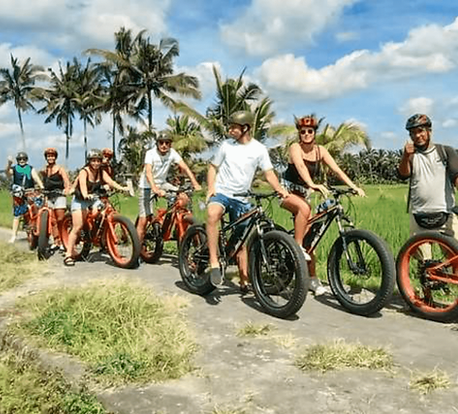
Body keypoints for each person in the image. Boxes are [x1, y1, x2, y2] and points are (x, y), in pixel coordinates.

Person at [281, 114, 366, 296]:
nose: (306, 134)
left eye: (310, 131)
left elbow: (336, 170)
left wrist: (353, 187)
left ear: (314, 133)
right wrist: (312, 184)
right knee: (304, 211)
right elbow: (301, 167)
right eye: (302, 131)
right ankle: (296, 248)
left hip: (304, 195)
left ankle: (312, 280)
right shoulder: (294, 148)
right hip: (287, 193)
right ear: (299, 134)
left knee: (312, 241)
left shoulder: (320, 151)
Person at [206, 110, 290, 291]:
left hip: (243, 197)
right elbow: (213, 167)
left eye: (234, 127)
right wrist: (211, 188)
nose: (230, 130)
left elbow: (269, 173)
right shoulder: (226, 145)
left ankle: (244, 279)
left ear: (246, 128)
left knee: (241, 240)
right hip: (222, 192)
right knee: (213, 214)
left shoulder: (259, 149)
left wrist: (280, 190)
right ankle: (213, 261)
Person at [398, 114, 458, 249]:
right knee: (425, 262)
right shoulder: (411, 155)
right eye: (412, 133)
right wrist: (406, 156)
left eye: (420, 131)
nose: (417, 136)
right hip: (419, 214)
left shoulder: (445, 151)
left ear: (429, 131)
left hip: (446, 213)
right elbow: (403, 174)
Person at [65, 148, 129, 266]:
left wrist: (122, 188)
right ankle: (69, 254)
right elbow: (83, 187)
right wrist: (85, 194)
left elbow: (111, 182)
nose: (96, 163)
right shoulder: (84, 172)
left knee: (102, 212)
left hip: (93, 199)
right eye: (93, 161)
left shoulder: (101, 172)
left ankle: (98, 237)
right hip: (80, 200)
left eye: (98, 161)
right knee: (77, 227)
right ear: (89, 161)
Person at [136, 131, 201, 243]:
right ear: (157, 144)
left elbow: (184, 167)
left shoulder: (172, 153)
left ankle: (173, 223)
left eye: (167, 143)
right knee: (143, 219)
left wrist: (195, 183)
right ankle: (136, 253)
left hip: (163, 183)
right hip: (147, 186)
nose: (164, 145)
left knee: (183, 197)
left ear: (170, 144)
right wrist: (155, 189)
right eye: (161, 143)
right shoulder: (150, 154)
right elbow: (148, 173)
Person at [6, 152, 43, 243]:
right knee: (17, 215)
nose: (22, 161)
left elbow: (36, 178)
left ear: (26, 160)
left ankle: (37, 229)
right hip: (18, 194)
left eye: (24, 159)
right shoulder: (14, 169)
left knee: (36, 209)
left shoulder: (30, 168)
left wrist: (42, 187)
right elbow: (8, 173)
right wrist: (9, 164)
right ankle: (14, 236)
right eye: (20, 159)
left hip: (30, 192)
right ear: (17, 160)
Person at [39, 148, 71, 250]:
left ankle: (63, 240)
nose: (50, 158)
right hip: (49, 196)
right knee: (52, 220)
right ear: (46, 158)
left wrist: (66, 189)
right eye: (48, 156)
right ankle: (56, 240)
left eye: (52, 156)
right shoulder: (45, 170)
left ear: (55, 157)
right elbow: (42, 181)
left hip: (59, 195)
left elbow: (66, 181)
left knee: (60, 219)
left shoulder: (60, 169)